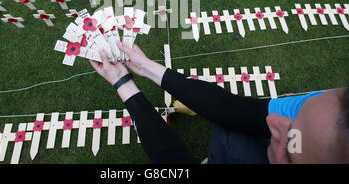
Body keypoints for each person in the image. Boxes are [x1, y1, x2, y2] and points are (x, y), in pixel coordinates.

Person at [89, 42, 349, 164]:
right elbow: (236, 112)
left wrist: (123, 84)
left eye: (292, 146)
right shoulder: (331, 116)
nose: (272, 121)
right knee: (231, 129)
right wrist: (146, 68)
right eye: (297, 114)